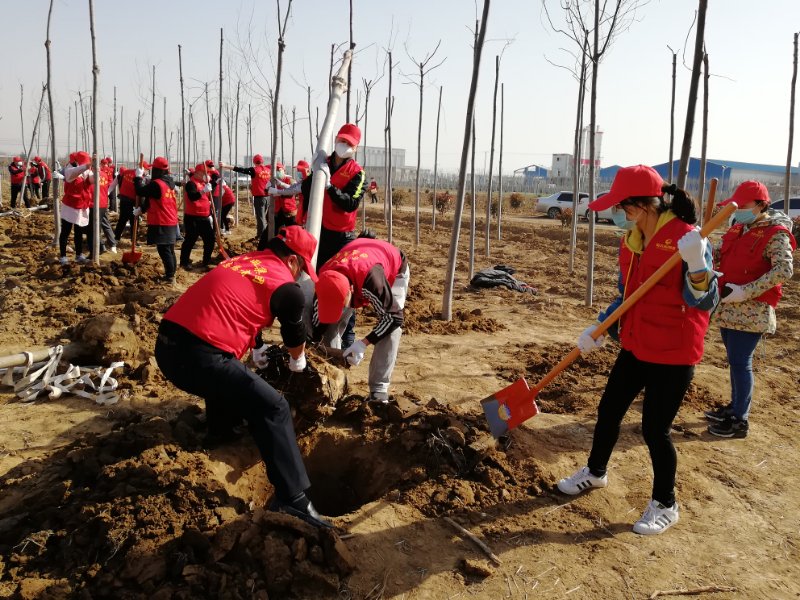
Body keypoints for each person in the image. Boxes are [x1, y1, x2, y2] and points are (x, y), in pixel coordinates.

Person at [556, 165, 719, 536]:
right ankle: (595, 473)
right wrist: (600, 327)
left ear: (641, 205)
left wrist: (696, 263)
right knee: (608, 409)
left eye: (622, 207)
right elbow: (627, 298)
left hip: (674, 352)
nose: (619, 214)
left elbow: (706, 301)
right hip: (637, 344)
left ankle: (666, 502)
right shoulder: (632, 242)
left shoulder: (688, 240)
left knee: (654, 429)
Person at [154, 225, 332, 529]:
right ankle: (294, 499)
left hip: (168, 345)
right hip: (195, 356)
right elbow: (294, 330)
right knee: (273, 407)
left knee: (229, 371)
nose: (301, 274)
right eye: (302, 267)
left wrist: (257, 344)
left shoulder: (243, 262)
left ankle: (221, 431)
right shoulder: (286, 286)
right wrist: (298, 358)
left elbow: (238, 305)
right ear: (292, 260)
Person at [704, 181, 796, 438]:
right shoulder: (738, 228)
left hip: (752, 311)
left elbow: (784, 270)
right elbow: (719, 253)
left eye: (742, 205)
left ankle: (739, 420)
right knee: (733, 362)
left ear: (760, 205)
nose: (738, 209)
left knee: (741, 362)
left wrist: (747, 291)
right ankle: (733, 407)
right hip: (728, 307)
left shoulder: (775, 233)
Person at [313, 236, 410, 404]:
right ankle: (333, 378)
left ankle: (379, 390)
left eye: (342, 303)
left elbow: (394, 317)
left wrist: (363, 343)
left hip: (391, 267)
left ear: (351, 290)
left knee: (392, 330)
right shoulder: (325, 278)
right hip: (352, 267)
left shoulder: (373, 281)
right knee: (329, 325)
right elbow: (318, 323)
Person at [133, 156, 179, 284]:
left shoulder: (156, 184)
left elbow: (140, 191)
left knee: (164, 249)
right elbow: (152, 199)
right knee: (169, 249)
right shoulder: (169, 183)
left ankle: (170, 277)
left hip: (162, 220)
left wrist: (138, 177)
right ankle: (171, 273)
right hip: (170, 219)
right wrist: (141, 209)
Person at [223, 155, 271, 239]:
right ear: (262, 161)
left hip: (259, 197)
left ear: (254, 162)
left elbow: (241, 169)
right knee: (264, 217)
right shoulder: (268, 170)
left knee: (260, 218)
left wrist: (225, 166)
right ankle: (265, 234)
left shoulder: (254, 170)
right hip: (268, 197)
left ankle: (261, 236)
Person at [58, 151, 94, 264]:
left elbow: (93, 180)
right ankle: (63, 256)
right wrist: (86, 166)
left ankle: (79, 254)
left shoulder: (86, 171)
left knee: (79, 231)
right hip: (70, 206)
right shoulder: (70, 170)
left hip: (82, 205)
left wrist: (95, 170)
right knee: (66, 231)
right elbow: (73, 173)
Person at [180, 164, 215, 270]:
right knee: (190, 240)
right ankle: (184, 262)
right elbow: (192, 197)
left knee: (210, 240)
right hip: (193, 217)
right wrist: (203, 191)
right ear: (198, 173)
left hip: (204, 217)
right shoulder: (191, 183)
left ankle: (206, 261)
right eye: (205, 173)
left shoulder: (204, 183)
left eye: (208, 173)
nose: (207, 175)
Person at [87, 157, 118, 254]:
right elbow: (110, 184)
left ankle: (101, 246)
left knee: (95, 227)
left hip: (94, 204)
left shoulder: (91, 176)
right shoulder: (104, 174)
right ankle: (112, 244)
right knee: (105, 223)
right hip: (103, 203)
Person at [114, 164, 141, 244]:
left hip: (126, 200)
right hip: (131, 201)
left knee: (125, 220)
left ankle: (118, 238)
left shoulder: (126, 172)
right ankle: (132, 240)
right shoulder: (139, 176)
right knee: (132, 220)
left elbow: (120, 184)